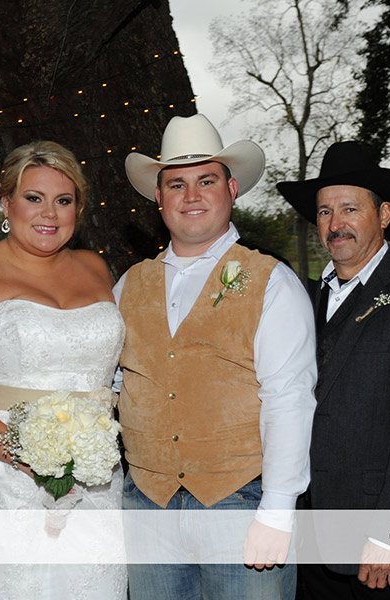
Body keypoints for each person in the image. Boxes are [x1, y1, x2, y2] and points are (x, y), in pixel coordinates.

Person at [114, 114, 317, 599]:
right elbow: (114, 386)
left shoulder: (272, 282)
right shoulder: (128, 285)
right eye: (176, 184)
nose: (191, 195)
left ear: (231, 189)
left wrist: (277, 511)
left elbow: (288, 398)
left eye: (206, 181)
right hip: (147, 505)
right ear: (158, 197)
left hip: (240, 503)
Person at [0, 141, 127, 599]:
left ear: (78, 210)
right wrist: (35, 461)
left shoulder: (96, 268)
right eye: (34, 197)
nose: (49, 213)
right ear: (6, 202)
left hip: (93, 472)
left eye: (63, 200)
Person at [277, 141, 390, 600]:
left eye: (349, 209)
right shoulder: (303, 297)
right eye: (324, 212)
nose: (335, 224)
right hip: (309, 536)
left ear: (383, 215)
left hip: (380, 546)